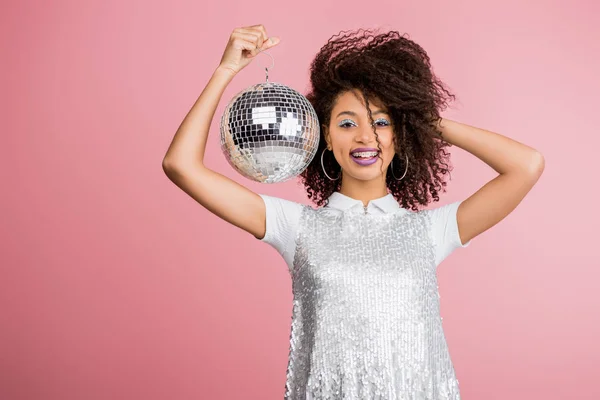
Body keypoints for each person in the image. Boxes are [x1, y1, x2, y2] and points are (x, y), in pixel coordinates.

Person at [162, 24, 544, 399]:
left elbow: (526, 165)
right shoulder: (294, 225)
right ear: (326, 136)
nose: (366, 136)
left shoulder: (431, 230)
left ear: (399, 135)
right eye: (348, 123)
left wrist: (420, 120)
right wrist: (225, 71)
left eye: (381, 122)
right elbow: (181, 165)